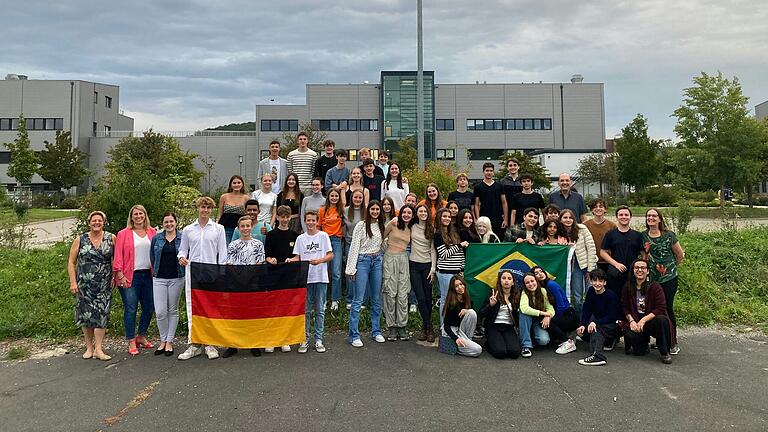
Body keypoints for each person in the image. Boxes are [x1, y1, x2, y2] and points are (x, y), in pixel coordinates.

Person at [177, 196, 228, 361]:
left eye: (208, 208)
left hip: (211, 273)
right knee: (193, 308)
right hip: (193, 274)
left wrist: (221, 273)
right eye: (202, 207)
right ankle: (194, 344)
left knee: (210, 308)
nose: (205, 211)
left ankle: (209, 343)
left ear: (211, 210)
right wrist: (182, 258)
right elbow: (183, 250)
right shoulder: (188, 230)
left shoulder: (218, 229)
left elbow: (223, 253)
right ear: (198, 209)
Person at [67, 211, 115, 361]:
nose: (96, 223)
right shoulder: (80, 239)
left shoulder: (111, 238)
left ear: (103, 222)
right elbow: (71, 262)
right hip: (84, 284)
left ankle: (99, 349)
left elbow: (116, 259)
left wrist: (115, 276)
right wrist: (73, 282)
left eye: (99, 221)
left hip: (103, 284)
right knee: (86, 316)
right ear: (89, 223)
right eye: (94, 221)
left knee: (102, 315)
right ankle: (89, 347)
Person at [113, 204, 157, 356]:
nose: (138, 216)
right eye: (135, 214)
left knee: (149, 307)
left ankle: (141, 335)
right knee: (131, 308)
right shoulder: (123, 233)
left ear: (145, 215)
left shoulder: (152, 232)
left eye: (141, 214)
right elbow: (118, 255)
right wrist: (120, 274)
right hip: (130, 276)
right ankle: (131, 339)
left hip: (148, 276)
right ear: (131, 217)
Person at [222, 216, 267, 359]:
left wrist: (249, 277)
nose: (246, 228)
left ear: (251, 227)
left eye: (248, 226)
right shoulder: (233, 245)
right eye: (243, 226)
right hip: (236, 283)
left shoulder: (258, 244)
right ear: (238, 228)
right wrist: (239, 278)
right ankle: (233, 345)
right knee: (235, 314)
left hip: (253, 282)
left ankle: (253, 344)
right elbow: (229, 263)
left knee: (252, 313)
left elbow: (260, 262)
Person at [642, 208, 685, 355]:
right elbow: (643, 257)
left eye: (654, 216)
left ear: (660, 219)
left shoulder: (669, 236)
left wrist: (670, 268)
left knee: (667, 308)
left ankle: (672, 342)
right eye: (648, 216)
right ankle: (661, 339)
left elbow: (679, 255)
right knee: (652, 309)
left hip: (669, 279)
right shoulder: (643, 236)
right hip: (652, 280)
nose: (651, 218)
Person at [290, 210, 333, 354]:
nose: (310, 223)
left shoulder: (323, 236)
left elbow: (330, 255)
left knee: (320, 310)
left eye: (313, 220)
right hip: (306, 278)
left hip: (320, 277)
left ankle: (319, 339)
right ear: (304, 221)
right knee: (305, 311)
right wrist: (290, 260)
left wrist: (319, 261)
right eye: (308, 220)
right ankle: (305, 339)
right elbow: (298, 257)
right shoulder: (300, 239)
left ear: (317, 221)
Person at [346, 200, 386, 347]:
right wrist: (351, 268)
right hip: (362, 261)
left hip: (377, 261)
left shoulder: (381, 226)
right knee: (358, 299)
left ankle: (376, 331)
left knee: (376, 298)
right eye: (373, 209)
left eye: (377, 209)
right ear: (368, 210)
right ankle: (354, 334)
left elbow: (383, 245)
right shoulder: (361, 225)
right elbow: (354, 246)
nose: (375, 211)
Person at [621, 258, 673, 364]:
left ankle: (665, 352)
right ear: (633, 270)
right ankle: (643, 343)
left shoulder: (655, 287)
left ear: (648, 271)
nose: (640, 270)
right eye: (637, 267)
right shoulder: (627, 287)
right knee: (638, 352)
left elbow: (661, 308)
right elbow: (624, 307)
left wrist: (643, 320)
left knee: (662, 320)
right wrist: (631, 321)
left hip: (651, 320)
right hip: (635, 320)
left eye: (643, 268)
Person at [263, 205, 299, 355]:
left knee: (286, 307)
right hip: (273, 275)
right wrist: (270, 259)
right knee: (272, 307)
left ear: (290, 218)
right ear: (277, 217)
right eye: (281, 217)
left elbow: (298, 256)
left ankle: (284, 339)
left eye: (287, 217)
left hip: (289, 276)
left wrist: (293, 260)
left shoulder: (295, 235)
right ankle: (271, 339)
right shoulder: (271, 235)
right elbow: (266, 255)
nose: (284, 219)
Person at [150, 212, 185, 357]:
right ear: (162, 224)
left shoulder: (182, 237)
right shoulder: (156, 238)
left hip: (176, 277)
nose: (169, 224)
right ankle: (162, 340)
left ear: (176, 222)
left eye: (171, 221)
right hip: (159, 278)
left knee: (173, 310)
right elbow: (152, 257)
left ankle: (169, 341)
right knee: (160, 312)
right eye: (166, 222)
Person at [576, 268, 622, 366]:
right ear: (591, 281)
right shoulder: (591, 291)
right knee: (583, 332)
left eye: (600, 281)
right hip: (599, 321)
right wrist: (583, 324)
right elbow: (587, 310)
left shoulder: (611, 296)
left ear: (605, 282)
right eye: (595, 280)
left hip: (614, 324)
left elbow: (612, 316)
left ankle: (598, 356)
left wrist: (595, 322)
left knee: (597, 329)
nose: (597, 283)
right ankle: (608, 341)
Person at [382, 204, 414, 341]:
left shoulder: (412, 227)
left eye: (409, 213)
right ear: (401, 213)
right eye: (404, 212)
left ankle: (401, 326)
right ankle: (391, 327)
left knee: (402, 294)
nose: (406, 215)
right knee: (390, 293)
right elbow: (382, 236)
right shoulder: (394, 222)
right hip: (390, 258)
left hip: (403, 259)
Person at [531, 266, 580, 355]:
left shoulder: (550, 284)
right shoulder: (541, 288)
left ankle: (568, 342)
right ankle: (568, 336)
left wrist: (549, 316)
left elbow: (560, 306)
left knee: (544, 319)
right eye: (536, 273)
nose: (540, 274)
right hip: (561, 316)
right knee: (544, 320)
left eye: (541, 271)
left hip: (569, 315)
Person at [434, 207, 467, 330]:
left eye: (448, 216)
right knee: (445, 299)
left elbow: (461, 253)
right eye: (444, 216)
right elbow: (443, 254)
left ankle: (454, 325)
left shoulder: (454, 232)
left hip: (456, 272)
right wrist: (459, 245)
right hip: (444, 272)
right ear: (439, 218)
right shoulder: (437, 234)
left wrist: (462, 269)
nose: (447, 218)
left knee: (456, 299)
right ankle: (443, 326)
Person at [560, 208, 597, 317]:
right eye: (565, 217)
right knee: (577, 296)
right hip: (573, 267)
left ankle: (592, 320)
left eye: (570, 217)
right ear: (560, 219)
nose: (568, 220)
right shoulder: (559, 232)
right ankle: (580, 320)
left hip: (587, 264)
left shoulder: (582, 228)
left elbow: (591, 248)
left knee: (591, 292)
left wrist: (590, 270)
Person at [600, 205, 643, 296]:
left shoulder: (638, 235)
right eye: (621, 215)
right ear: (617, 217)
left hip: (632, 274)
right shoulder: (610, 234)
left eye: (626, 215)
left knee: (631, 298)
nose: (624, 217)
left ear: (630, 217)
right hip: (615, 273)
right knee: (615, 298)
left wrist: (640, 269)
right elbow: (603, 252)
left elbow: (644, 254)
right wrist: (616, 264)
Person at [409, 203, 437, 342]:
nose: (423, 213)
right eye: (420, 211)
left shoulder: (431, 228)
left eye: (425, 211)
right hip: (414, 265)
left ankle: (425, 327)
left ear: (428, 214)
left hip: (427, 266)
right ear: (417, 213)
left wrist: (433, 269)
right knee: (420, 297)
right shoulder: (411, 226)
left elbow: (433, 250)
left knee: (427, 298)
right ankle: (428, 327)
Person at [479, 269, 521, 359]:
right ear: (500, 280)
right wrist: (491, 305)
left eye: (509, 278)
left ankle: (502, 343)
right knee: (500, 353)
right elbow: (481, 313)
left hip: (508, 327)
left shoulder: (516, 296)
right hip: (493, 326)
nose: (506, 280)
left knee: (515, 353)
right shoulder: (493, 293)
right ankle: (489, 344)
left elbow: (518, 316)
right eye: (504, 278)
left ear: (513, 282)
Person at [318, 187, 345, 311]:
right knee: (324, 271)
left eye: (336, 196)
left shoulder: (341, 210)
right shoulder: (322, 210)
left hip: (336, 241)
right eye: (332, 196)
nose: (334, 198)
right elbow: (318, 227)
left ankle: (335, 299)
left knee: (336, 272)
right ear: (328, 197)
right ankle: (322, 299)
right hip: (325, 240)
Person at [442, 275, 482, 357]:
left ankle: (468, 341)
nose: (460, 287)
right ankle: (457, 348)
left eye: (461, 284)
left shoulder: (468, 300)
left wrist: (466, 310)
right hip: (451, 332)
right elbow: (446, 326)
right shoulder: (451, 303)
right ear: (453, 289)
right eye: (456, 286)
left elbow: (471, 318)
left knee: (472, 312)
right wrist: (456, 339)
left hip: (461, 330)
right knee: (478, 350)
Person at [517, 273, 555, 358]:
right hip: (526, 320)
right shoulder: (524, 293)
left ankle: (527, 336)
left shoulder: (543, 291)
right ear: (524, 285)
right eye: (527, 283)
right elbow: (524, 308)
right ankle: (525, 346)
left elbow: (550, 308)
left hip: (537, 321)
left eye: (532, 281)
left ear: (536, 281)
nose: (530, 284)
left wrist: (548, 316)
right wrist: (543, 313)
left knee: (544, 341)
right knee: (524, 313)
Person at [343, 189, 367, 309]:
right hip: (350, 244)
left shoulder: (367, 211)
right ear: (351, 198)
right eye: (355, 197)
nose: (357, 200)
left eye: (360, 198)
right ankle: (350, 299)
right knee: (350, 271)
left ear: (363, 199)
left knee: (362, 273)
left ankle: (361, 300)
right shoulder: (346, 211)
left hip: (363, 247)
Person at [473, 162, 508, 242]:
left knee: (498, 240)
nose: (489, 172)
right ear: (483, 172)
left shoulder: (499, 186)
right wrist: (478, 219)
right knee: (484, 241)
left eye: (491, 171)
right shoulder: (478, 187)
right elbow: (476, 204)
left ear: (493, 172)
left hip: (498, 219)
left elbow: (504, 202)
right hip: (484, 219)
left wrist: (505, 219)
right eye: (487, 170)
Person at [583, 199, 616, 271]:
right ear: (592, 210)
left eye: (601, 207)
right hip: (591, 262)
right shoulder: (585, 225)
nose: (598, 209)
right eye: (595, 207)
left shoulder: (612, 226)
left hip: (608, 262)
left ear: (605, 209)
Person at [217, 175, 250, 243]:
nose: (236, 185)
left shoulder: (246, 198)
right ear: (231, 185)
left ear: (242, 184)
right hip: (226, 227)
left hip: (240, 229)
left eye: (239, 182)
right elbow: (220, 213)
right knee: (226, 247)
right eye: (234, 183)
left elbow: (247, 214)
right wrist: (217, 226)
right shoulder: (224, 197)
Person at [286, 131, 318, 195]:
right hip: (295, 186)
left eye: (304, 139)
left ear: (307, 141)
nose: (302, 141)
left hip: (308, 187)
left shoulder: (313, 154)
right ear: (297, 141)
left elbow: (313, 170)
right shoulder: (291, 154)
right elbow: (290, 171)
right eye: (300, 139)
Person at [499, 158, 522, 225]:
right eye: (510, 165)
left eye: (515, 165)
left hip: (520, 211)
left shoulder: (523, 181)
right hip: (507, 212)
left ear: (518, 167)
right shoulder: (502, 182)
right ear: (507, 168)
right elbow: (500, 200)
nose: (513, 167)